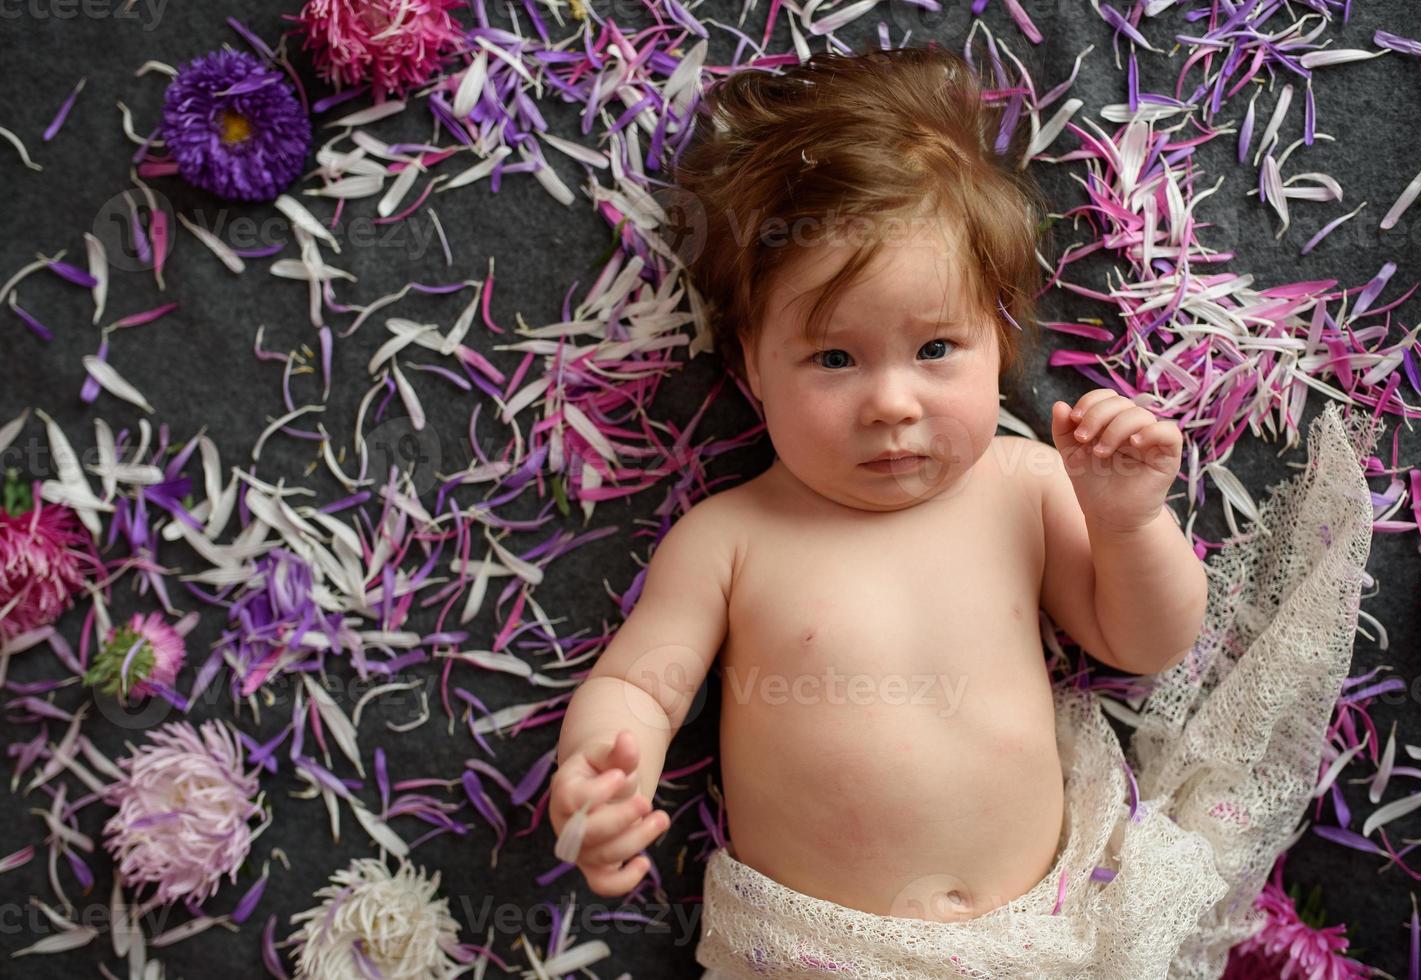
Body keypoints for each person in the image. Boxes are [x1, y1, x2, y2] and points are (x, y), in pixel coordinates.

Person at [548, 44, 1376, 979]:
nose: (892, 403)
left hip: (1050, 938)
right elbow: (640, 687)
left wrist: (1128, 522)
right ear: (749, 368)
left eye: (937, 347)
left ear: (999, 342)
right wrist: (602, 775)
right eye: (833, 360)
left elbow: (1144, 644)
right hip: (818, 954)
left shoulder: (1023, 485)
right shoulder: (730, 539)